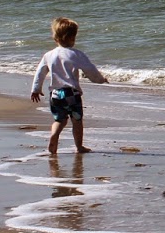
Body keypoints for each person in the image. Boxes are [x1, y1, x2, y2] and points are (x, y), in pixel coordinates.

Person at [29, 17, 108, 154]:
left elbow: (40, 73)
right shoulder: (75, 54)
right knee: (76, 120)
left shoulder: (49, 55)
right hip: (72, 94)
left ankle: (54, 136)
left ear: (55, 37)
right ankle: (79, 146)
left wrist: (36, 89)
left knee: (59, 120)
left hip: (55, 94)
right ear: (72, 37)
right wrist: (100, 79)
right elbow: (90, 70)